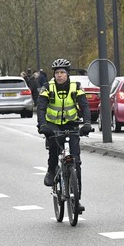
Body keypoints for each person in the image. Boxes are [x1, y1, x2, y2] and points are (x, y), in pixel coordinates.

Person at [36, 59, 90, 213]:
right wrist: (43, 125)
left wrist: (86, 123)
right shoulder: (48, 87)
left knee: (76, 162)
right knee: (54, 144)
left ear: (67, 74)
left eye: (62, 73)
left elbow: (84, 105)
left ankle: (76, 200)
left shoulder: (76, 87)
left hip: (71, 124)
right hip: (53, 124)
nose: (59, 76)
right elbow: (41, 108)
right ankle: (52, 169)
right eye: (57, 73)